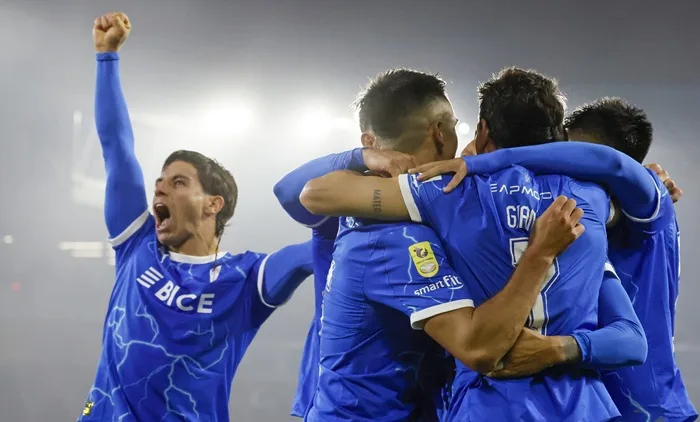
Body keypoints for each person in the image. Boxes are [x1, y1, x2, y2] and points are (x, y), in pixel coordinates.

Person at [298, 67, 648, 421]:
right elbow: (616, 167)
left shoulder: (448, 192)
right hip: (583, 408)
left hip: (490, 405)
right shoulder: (593, 201)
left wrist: (363, 156)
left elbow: (314, 194)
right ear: (560, 137)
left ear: (482, 132)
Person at [80, 13, 314, 422]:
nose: (160, 189)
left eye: (178, 182)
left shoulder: (247, 278)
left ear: (213, 204)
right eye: (159, 182)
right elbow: (116, 147)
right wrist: (107, 57)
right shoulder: (137, 245)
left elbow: (315, 250)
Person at [414, 98, 696, 421]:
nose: (557, 167)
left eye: (567, 156)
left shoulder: (651, 202)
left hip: (654, 408)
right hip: (604, 403)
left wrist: (484, 162)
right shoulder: (584, 224)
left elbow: (612, 164)